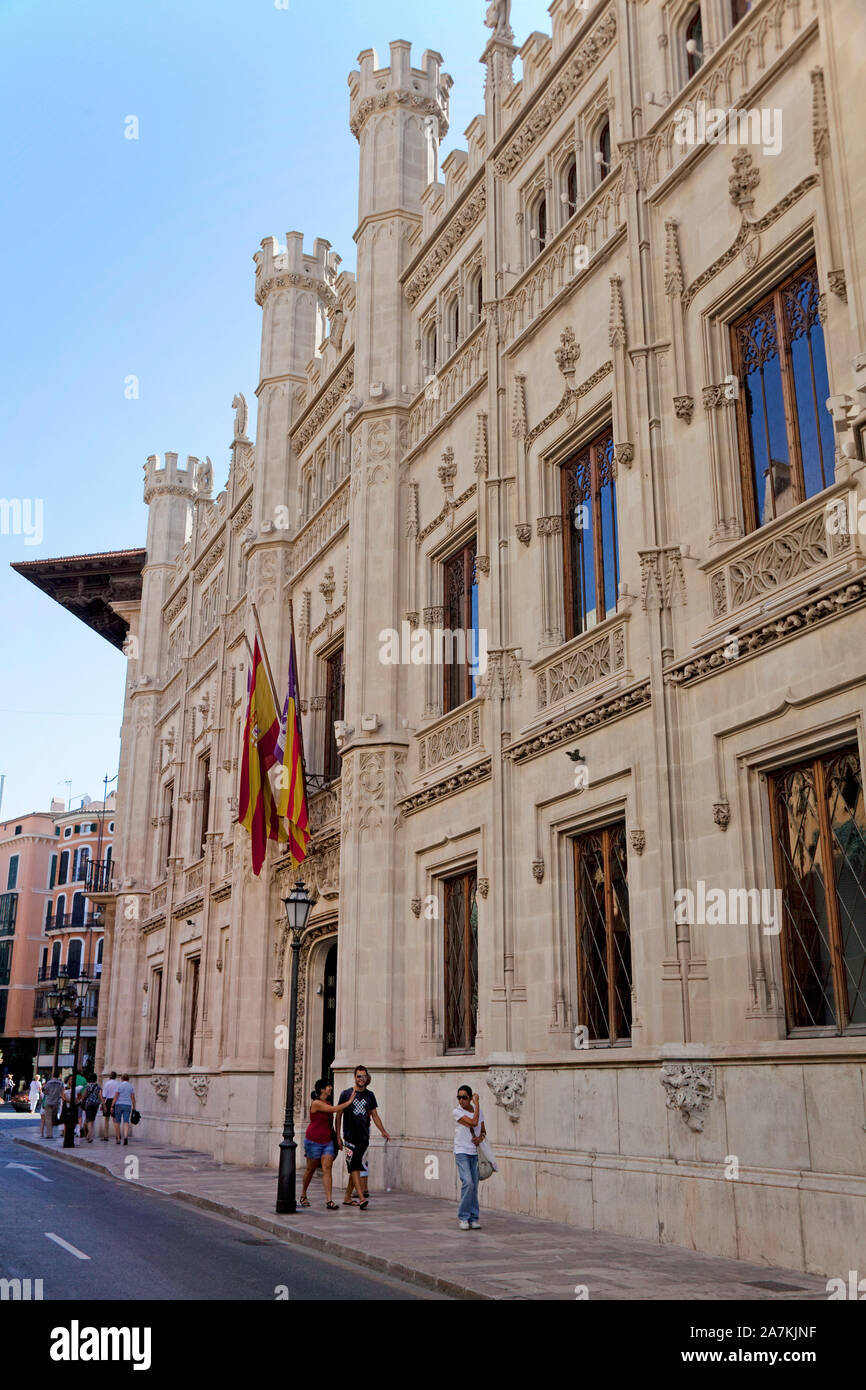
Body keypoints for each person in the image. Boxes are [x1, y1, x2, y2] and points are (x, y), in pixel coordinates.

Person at [334, 1066, 390, 1210]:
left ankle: (347, 1197)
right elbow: (338, 1115)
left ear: (367, 1077)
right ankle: (361, 1197)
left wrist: (383, 1131)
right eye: (359, 1076)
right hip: (349, 1137)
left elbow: (374, 1115)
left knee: (355, 1166)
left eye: (364, 1076)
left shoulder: (370, 1095)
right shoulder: (346, 1094)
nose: (361, 1079)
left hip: (364, 1137)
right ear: (354, 1077)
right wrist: (338, 1136)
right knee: (354, 1166)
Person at [299, 1080, 357, 1210]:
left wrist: (337, 1138)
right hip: (313, 1141)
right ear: (321, 1090)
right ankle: (303, 1194)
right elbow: (334, 1110)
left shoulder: (327, 1102)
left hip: (327, 1141)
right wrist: (349, 1101)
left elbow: (333, 1120)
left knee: (327, 1168)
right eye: (328, 1086)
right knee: (310, 1169)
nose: (330, 1088)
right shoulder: (316, 1103)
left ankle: (329, 1200)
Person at [453, 1085, 485, 1231]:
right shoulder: (457, 1112)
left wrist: (480, 1137)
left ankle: (473, 1217)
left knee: (474, 1186)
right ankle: (464, 1217)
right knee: (468, 1183)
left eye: (464, 1097)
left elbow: (482, 1129)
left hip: (475, 1152)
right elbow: (473, 1122)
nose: (461, 1100)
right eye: (459, 1097)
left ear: (470, 1097)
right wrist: (477, 1103)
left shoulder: (479, 1112)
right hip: (461, 1151)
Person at [112, 1074, 136, 1145]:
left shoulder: (119, 1085)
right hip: (127, 1105)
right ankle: (125, 1137)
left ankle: (118, 1138)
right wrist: (134, 1106)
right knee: (126, 1121)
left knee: (117, 1121)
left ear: (122, 1079)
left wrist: (112, 1105)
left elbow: (116, 1096)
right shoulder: (130, 1086)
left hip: (119, 1104)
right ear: (128, 1079)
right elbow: (133, 1098)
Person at [41, 1071, 64, 1138]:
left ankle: (49, 1134)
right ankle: (50, 1132)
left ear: (53, 1075)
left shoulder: (49, 1082)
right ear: (59, 1075)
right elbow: (62, 1092)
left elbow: (45, 1092)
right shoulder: (61, 1083)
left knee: (48, 1118)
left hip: (48, 1101)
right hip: (56, 1102)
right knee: (53, 1118)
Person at [81, 1076, 102, 1142]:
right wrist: (103, 1104)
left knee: (89, 1120)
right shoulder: (98, 1087)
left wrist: (82, 1101)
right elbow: (100, 1096)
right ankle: (88, 1135)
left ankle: (90, 1136)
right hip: (96, 1104)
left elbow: (84, 1095)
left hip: (89, 1103)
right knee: (92, 1119)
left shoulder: (88, 1086)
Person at [101, 1072, 119, 1140]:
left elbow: (104, 1095)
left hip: (108, 1101)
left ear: (110, 1077)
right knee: (115, 1119)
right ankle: (117, 1135)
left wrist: (103, 1105)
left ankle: (106, 1135)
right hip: (115, 1100)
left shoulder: (107, 1083)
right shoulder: (117, 1083)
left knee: (106, 1119)